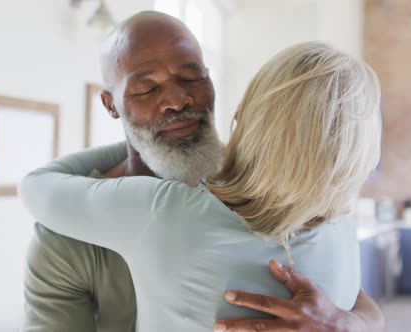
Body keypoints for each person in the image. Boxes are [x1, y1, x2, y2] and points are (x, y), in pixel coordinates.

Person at [21, 11, 385, 332]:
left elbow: (35, 185)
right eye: (146, 88)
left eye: (193, 77)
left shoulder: (284, 202)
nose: (179, 100)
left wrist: (352, 323)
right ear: (110, 105)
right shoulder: (64, 242)